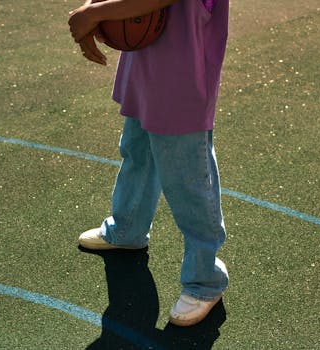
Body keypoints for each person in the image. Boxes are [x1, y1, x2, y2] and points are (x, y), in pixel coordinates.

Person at [68, 0, 229, 327]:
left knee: (187, 180)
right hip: (147, 63)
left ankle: (205, 280)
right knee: (137, 153)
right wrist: (93, 10)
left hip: (183, 72)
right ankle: (127, 230)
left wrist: (94, 14)